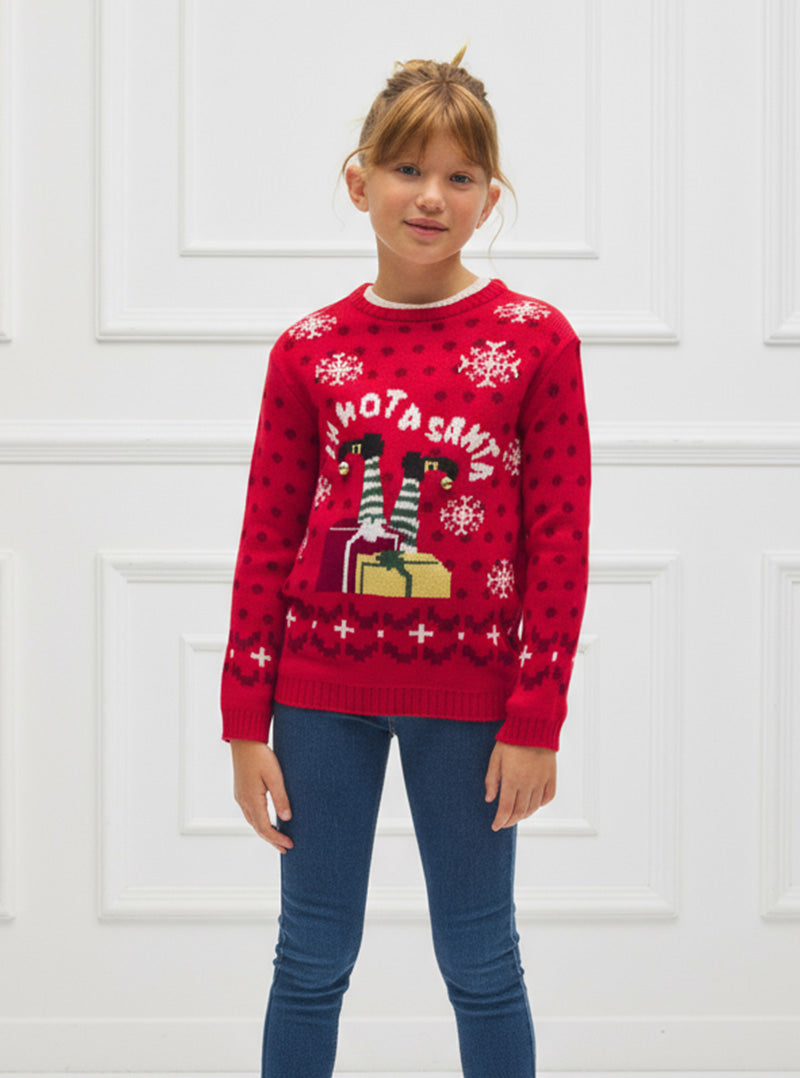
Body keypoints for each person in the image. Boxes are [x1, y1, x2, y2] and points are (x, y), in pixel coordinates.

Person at [220, 47, 591, 1078]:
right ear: (360, 181)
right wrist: (244, 715)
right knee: (310, 958)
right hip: (317, 693)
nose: (431, 196)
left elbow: (559, 540)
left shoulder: (534, 341)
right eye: (407, 169)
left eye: (459, 176)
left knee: (480, 960)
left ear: (488, 198)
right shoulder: (309, 348)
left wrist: (537, 715)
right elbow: (267, 533)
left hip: (471, 700)